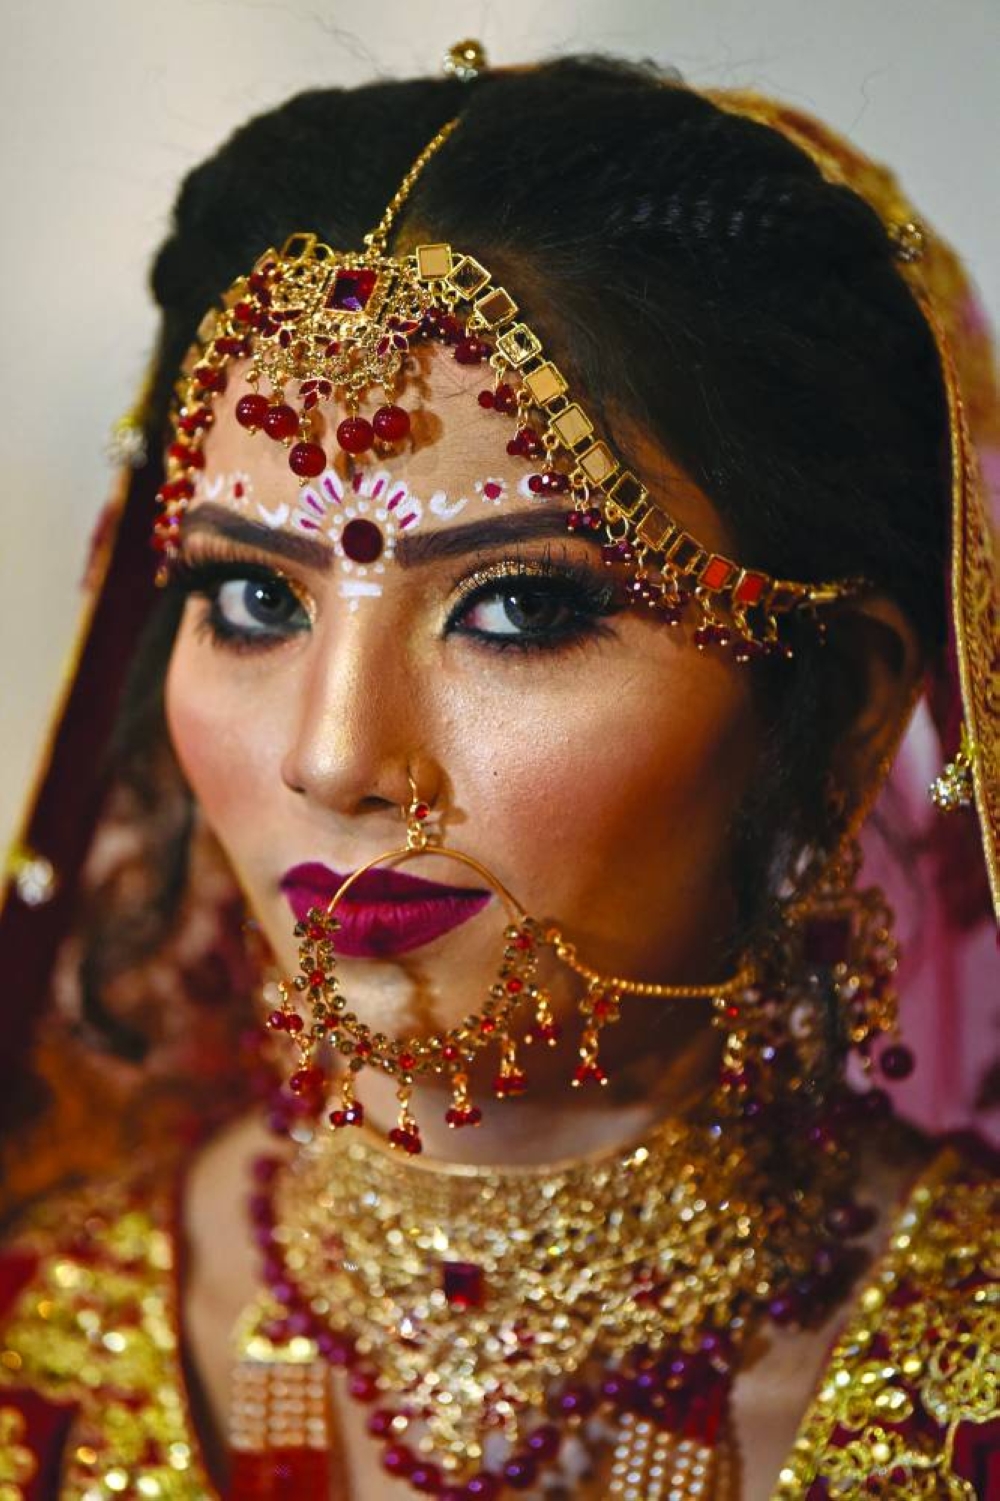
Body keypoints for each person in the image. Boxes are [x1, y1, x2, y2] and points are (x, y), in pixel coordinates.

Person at [0, 46, 996, 1501]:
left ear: (841, 702)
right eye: (255, 599)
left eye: (519, 608)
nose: (334, 757)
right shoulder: (32, 1352)